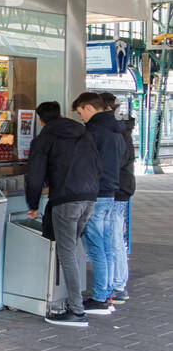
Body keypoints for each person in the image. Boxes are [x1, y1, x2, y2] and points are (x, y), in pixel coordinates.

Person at [25, 100, 100, 327]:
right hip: (90, 197)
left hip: (67, 199)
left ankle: (77, 312)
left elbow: (35, 174)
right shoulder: (83, 133)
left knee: (66, 253)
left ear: (40, 120)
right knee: (72, 250)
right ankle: (72, 302)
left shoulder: (44, 139)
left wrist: (33, 203)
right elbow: (97, 164)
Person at [72, 92, 123, 316]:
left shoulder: (92, 132)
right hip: (111, 192)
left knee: (95, 247)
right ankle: (108, 292)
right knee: (106, 246)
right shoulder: (117, 130)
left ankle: (100, 298)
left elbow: (84, 164)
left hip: (95, 193)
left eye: (81, 112)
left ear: (90, 108)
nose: (81, 117)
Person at [100, 92, 135, 303]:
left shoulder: (116, 131)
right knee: (113, 237)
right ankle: (117, 283)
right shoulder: (122, 129)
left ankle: (117, 285)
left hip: (115, 189)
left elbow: (114, 163)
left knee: (113, 238)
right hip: (121, 188)